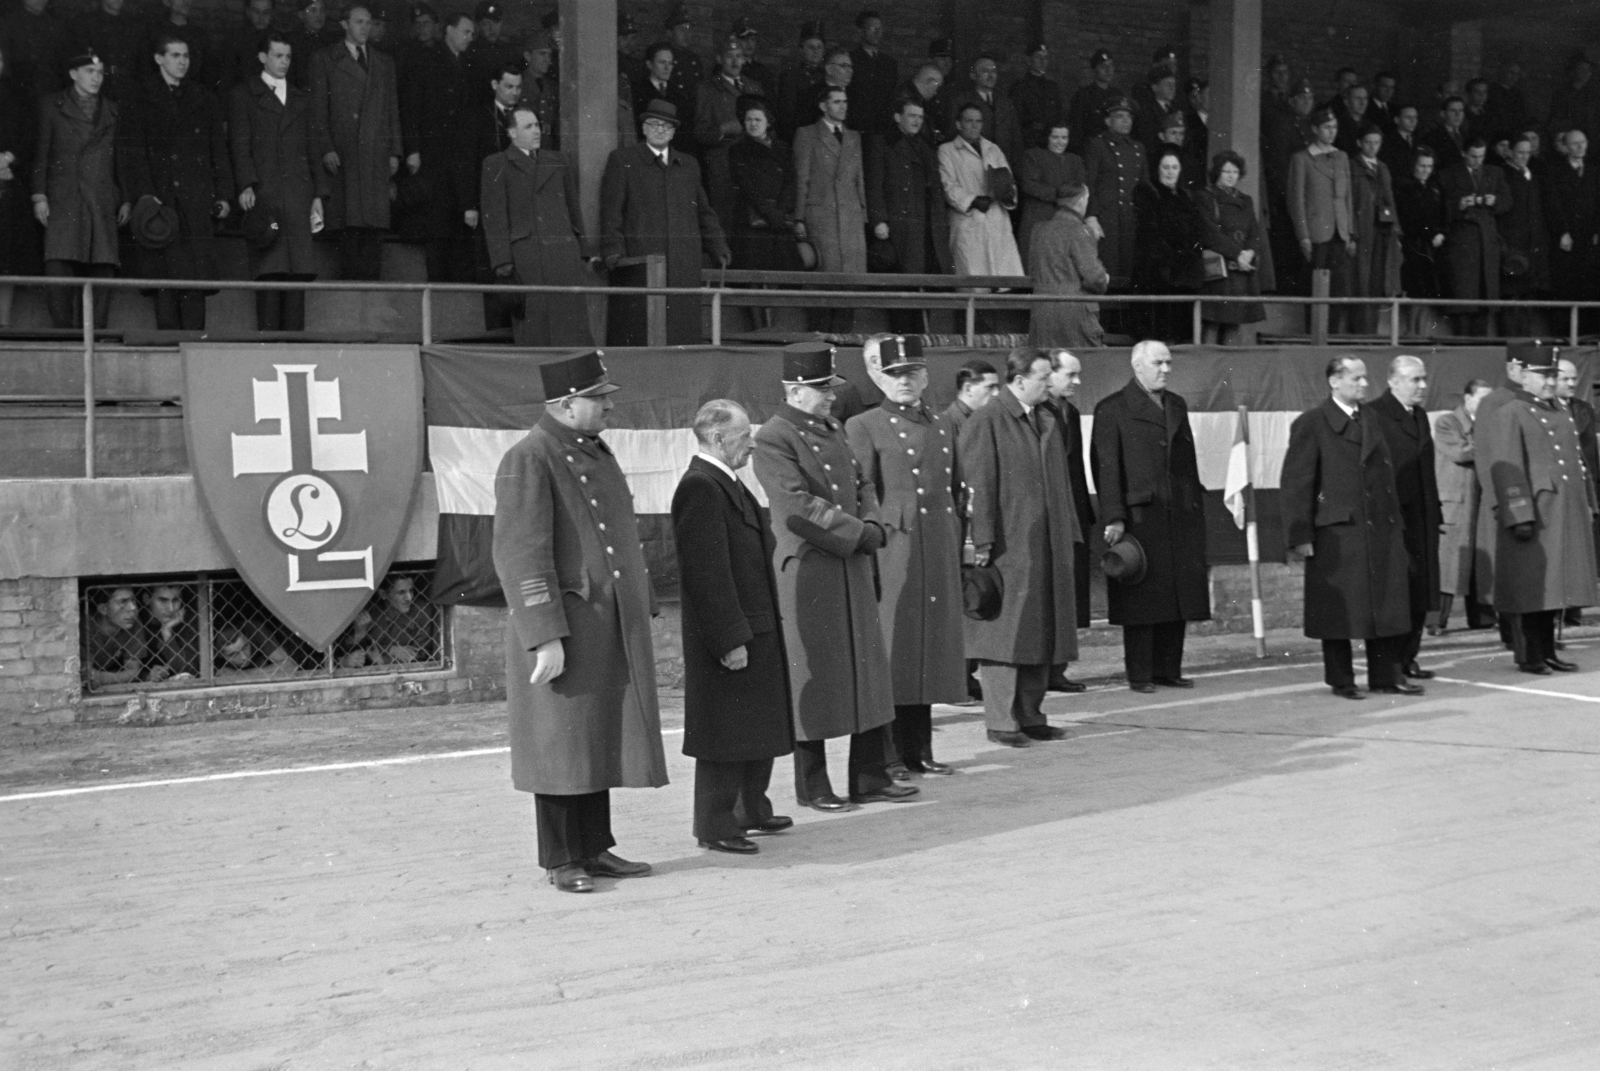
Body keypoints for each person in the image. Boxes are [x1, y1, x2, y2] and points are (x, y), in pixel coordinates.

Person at [491, 350, 667, 894]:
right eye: (599, 398)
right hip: (565, 624)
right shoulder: (530, 457)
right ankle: (562, 858)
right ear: (568, 405)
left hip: (601, 622)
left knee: (594, 737)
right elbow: (522, 554)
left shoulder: (590, 450)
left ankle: (595, 847)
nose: (609, 406)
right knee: (560, 744)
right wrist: (544, 635)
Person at [751, 342, 915, 811]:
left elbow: (862, 483)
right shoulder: (775, 437)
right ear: (795, 391)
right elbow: (796, 505)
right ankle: (813, 783)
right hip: (812, 570)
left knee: (865, 668)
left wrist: (874, 523)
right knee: (815, 675)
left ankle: (869, 775)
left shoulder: (834, 428)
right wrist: (859, 532)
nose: (830, 397)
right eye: (822, 389)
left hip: (851, 563)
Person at [671, 399, 796, 855]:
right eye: (745, 435)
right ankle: (716, 824)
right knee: (726, 733)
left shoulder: (728, 483)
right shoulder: (701, 487)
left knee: (754, 726)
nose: (753, 442)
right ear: (719, 437)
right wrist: (729, 638)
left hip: (756, 625)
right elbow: (707, 574)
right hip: (733, 634)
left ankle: (751, 809)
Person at [847, 336, 965, 777]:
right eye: (895, 374)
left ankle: (920, 749)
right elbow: (863, 494)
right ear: (880, 377)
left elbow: (950, 489)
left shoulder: (940, 423)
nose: (904, 382)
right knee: (894, 651)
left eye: (912, 373)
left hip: (935, 547)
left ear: (925, 376)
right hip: (894, 551)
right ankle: (888, 755)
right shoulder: (865, 425)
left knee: (929, 650)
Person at [959, 347, 1079, 745]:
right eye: (1044, 377)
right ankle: (1001, 721)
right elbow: (978, 484)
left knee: (1041, 633)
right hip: (1008, 549)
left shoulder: (1046, 418)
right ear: (1020, 380)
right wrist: (982, 543)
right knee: (1004, 637)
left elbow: (1060, 487)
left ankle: (1030, 714)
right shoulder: (987, 420)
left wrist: (1068, 535)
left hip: (1045, 546)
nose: (1050, 384)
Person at [1281, 356, 1416, 699]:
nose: (1364, 384)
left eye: (1365, 378)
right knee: (1337, 611)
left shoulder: (1372, 418)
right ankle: (1342, 680)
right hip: (1338, 533)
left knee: (1384, 604)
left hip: (1379, 530)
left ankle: (1385, 676)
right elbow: (1298, 485)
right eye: (1356, 378)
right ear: (1334, 381)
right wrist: (1301, 536)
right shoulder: (1312, 424)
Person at [1091, 340, 1209, 691]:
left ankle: (1168, 669)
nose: (1166, 369)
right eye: (1158, 362)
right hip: (1139, 516)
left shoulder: (1176, 404)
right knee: (1142, 598)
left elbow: (1187, 464)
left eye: (1169, 363)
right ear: (1137, 366)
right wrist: (1114, 517)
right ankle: (1140, 674)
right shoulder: (1111, 409)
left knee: (1176, 594)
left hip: (1178, 514)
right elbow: (1106, 468)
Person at [1478, 349, 1598, 674]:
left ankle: (1547, 651)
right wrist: (1519, 514)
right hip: (1536, 513)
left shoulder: (1559, 410)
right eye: (1543, 375)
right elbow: (1507, 468)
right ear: (1525, 376)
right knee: (1530, 588)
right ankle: (1529, 655)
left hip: (1560, 511)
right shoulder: (1512, 411)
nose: (1549, 381)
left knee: (1553, 587)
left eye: (1552, 375)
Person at [120, 32, 234, 331]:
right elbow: (132, 153)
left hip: (196, 202)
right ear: (159, 58)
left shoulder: (203, 98)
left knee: (194, 282)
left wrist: (223, 194)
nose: (182, 62)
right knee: (164, 283)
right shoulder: (139, 97)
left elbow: (217, 151)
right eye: (175, 55)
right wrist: (145, 196)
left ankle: (196, 351)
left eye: (185, 56)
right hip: (160, 204)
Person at [599, 99, 730, 346]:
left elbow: (704, 211)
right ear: (644, 128)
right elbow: (611, 212)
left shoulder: (688, 164)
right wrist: (613, 252)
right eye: (655, 124)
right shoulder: (623, 160)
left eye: (667, 126)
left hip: (683, 263)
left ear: (673, 132)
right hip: (641, 263)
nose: (660, 130)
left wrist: (718, 246)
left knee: (681, 332)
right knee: (642, 332)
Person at [231, 29, 326, 333]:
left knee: (297, 274)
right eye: (277, 55)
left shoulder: (302, 99)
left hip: (298, 195)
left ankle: (295, 350)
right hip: (266, 194)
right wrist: (246, 183)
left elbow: (313, 149)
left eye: (287, 56)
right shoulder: (244, 95)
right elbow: (239, 145)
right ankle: (269, 349)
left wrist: (318, 195)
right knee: (270, 272)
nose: (284, 61)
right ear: (262, 57)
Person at [480, 102, 593, 346]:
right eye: (528, 126)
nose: (536, 131)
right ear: (512, 133)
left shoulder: (557, 160)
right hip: (528, 256)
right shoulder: (497, 163)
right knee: (536, 326)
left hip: (564, 254)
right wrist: (502, 261)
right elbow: (494, 215)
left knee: (572, 325)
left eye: (537, 125)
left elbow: (573, 209)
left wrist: (583, 250)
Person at [32, 50, 128, 331]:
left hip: (101, 196)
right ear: (73, 74)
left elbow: (120, 159)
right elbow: (41, 152)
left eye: (100, 73)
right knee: (60, 263)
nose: (96, 78)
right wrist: (39, 194)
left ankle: (96, 332)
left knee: (103, 266)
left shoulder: (113, 110)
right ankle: (61, 332)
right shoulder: (51, 105)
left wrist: (125, 198)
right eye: (89, 72)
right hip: (64, 196)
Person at [310, 3, 401, 282]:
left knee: (373, 223)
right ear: (344, 25)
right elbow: (317, 109)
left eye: (368, 22)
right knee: (349, 223)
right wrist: (326, 146)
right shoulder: (325, 59)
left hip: (375, 153)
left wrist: (395, 151)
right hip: (345, 151)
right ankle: (351, 291)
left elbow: (392, 110)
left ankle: (371, 290)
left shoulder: (384, 62)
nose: (365, 28)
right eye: (359, 22)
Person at [1368, 356, 1442, 679]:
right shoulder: (1374, 415)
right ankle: (1392, 663)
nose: (1422, 386)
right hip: (1394, 519)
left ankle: (1410, 656)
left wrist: (1435, 514)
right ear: (1394, 381)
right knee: (1397, 592)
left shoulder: (1421, 416)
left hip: (1422, 518)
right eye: (1415, 380)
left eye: (1424, 379)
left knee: (1420, 592)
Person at [396, 11, 476, 284]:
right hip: (432, 156)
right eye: (465, 32)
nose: (469, 38)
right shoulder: (427, 61)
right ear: (449, 31)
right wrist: (413, 149)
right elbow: (411, 107)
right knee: (436, 226)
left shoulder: (464, 65)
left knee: (453, 227)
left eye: (472, 34)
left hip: (455, 160)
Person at [1044, 349, 1096, 682]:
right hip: (1049, 514)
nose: (1077, 382)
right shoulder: (1036, 414)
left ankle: (1058, 669)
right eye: (1070, 375)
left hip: (1073, 513)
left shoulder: (1071, 413)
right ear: (1048, 374)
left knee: (1069, 595)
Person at [865, 96, 950, 287]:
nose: (917, 121)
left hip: (925, 222)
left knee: (927, 275)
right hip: (898, 222)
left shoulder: (926, 147)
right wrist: (878, 220)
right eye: (912, 115)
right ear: (897, 117)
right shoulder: (882, 143)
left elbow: (935, 189)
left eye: (920, 117)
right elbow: (874, 185)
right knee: (903, 278)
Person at [1433, 379, 1495, 633]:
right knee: (1448, 566)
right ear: (1468, 399)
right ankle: (1436, 620)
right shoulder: (1447, 422)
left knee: (1480, 563)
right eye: (1483, 400)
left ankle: (1482, 618)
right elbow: (1461, 453)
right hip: (1456, 503)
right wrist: (1492, 444)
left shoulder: (1488, 425)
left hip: (1480, 502)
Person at [1287, 108, 1355, 334]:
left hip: (1339, 231)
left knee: (1338, 290)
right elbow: (1296, 201)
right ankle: (1315, 335)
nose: (1331, 132)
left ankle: (1333, 336)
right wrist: (1303, 236)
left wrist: (1350, 232)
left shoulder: (1341, 157)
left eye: (1334, 127)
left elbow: (1347, 198)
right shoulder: (1302, 159)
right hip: (1316, 232)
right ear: (1315, 129)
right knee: (1316, 289)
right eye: (1326, 127)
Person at [1438, 138, 1512, 336]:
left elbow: (1507, 202)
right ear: (1464, 153)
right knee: (1463, 298)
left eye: (1481, 156)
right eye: (1473, 156)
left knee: (1484, 298)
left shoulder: (1495, 173)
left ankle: (1481, 343)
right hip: (1462, 242)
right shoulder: (1448, 174)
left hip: (1487, 242)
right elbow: (1438, 207)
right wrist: (1459, 205)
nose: (1477, 160)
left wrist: (1495, 201)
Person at [940, 103, 1024, 277]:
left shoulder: (993, 148)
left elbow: (1007, 179)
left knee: (1003, 280)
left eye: (978, 121)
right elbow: (948, 186)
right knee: (974, 282)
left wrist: (1008, 195)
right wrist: (973, 200)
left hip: (996, 218)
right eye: (969, 120)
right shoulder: (947, 150)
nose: (974, 125)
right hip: (968, 219)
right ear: (958, 124)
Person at [1133, 146, 1206, 342]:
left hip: (1185, 275)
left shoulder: (1187, 197)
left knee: (1183, 331)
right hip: (1158, 273)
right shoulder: (1148, 193)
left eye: (1174, 167)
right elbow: (1151, 234)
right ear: (1158, 169)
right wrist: (1172, 260)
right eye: (1165, 167)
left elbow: (1197, 232)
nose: (1170, 171)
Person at [794, 85, 868, 273]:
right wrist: (799, 218)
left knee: (854, 275)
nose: (843, 107)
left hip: (851, 215)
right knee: (827, 270)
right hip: (822, 214)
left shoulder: (854, 137)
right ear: (823, 106)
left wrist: (863, 214)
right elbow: (802, 179)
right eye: (836, 102)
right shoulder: (807, 134)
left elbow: (859, 180)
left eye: (845, 102)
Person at [1195, 150, 1266, 342]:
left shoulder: (1246, 200)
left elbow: (1254, 232)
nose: (1230, 175)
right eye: (1226, 171)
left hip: (1240, 270)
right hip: (1220, 270)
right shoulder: (1206, 197)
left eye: (1234, 171)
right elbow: (1210, 233)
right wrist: (1238, 254)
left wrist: (1249, 253)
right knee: (1213, 322)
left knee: (1234, 323)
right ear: (1217, 172)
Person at [726, 95, 802, 273]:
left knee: (786, 271)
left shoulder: (783, 149)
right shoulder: (737, 150)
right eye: (749, 119)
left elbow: (791, 182)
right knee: (752, 270)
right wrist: (769, 213)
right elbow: (746, 187)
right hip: (752, 220)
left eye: (758, 119)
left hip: (779, 221)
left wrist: (780, 212)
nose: (753, 124)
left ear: (768, 122)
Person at [694, 38, 760, 239]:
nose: (735, 61)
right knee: (726, 222)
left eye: (739, 56)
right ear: (719, 59)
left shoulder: (754, 87)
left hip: (753, 164)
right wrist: (723, 129)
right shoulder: (707, 89)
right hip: (723, 167)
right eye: (729, 56)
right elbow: (699, 132)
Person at [1028, 181, 1107, 348]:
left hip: (1041, 309)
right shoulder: (1080, 231)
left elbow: (1033, 270)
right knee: (1081, 364)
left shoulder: (1038, 230)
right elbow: (1094, 278)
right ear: (1081, 201)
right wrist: (1104, 278)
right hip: (1075, 312)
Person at [1082, 96, 1146, 292]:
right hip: (1106, 219)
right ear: (1107, 121)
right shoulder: (1097, 145)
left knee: (1129, 271)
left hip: (1130, 218)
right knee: (1108, 270)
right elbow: (1089, 183)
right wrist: (1091, 215)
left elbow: (1145, 187)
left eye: (1129, 117)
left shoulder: (1138, 148)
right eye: (1119, 116)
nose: (1125, 120)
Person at [0, 42, 42, 325]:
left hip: (8, 182)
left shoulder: (16, 96)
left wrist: (6, 159)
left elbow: (27, 134)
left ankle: (2, 321)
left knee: (6, 257)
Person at [1348, 123, 1400, 336]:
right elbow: (1349, 201)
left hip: (1382, 230)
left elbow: (1390, 200)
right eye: (1368, 142)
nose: (1372, 147)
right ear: (1359, 143)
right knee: (1360, 282)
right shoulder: (1352, 166)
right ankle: (1360, 333)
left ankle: (1373, 332)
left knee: (1378, 281)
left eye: (1376, 143)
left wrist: (1396, 231)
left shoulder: (1384, 168)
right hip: (1362, 230)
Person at [1545, 130, 1597, 331]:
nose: (1580, 147)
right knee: (1566, 285)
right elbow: (1553, 204)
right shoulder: (1555, 171)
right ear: (1565, 147)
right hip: (1566, 237)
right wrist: (1562, 231)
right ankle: (1564, 334)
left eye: (1583, 142)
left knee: (1589, 284)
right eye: (1575, 143)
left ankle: (1588, 334)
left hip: (1588, 236)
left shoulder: (1593, 171)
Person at [1500, 135, 1550, 337]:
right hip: (1512, 248)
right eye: (1520, 152)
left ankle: (1525, 346)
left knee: (1528, 299)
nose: (1524, 157)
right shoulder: (1503, 175)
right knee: (1511, 298)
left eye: (1527, 153)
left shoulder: (1532, 175)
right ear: (1510, 152)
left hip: (1532, 248)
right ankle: (1510, 346)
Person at [1394, 148, 1446, 338]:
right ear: (1414, 166)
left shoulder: (1434, 187)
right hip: (1413, 244)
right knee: (1415, 288)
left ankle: (1421, 331)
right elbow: (1409, 217)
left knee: (1427, 289)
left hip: (1431, 246)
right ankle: (1411, 331)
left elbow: (1441, 215)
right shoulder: (1405, 187)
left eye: (1429, 166)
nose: (1426, 170)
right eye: (1422, 166)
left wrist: (1439, 232)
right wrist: (1430, 234)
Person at [1017, 121, 1085, 266]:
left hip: (1065, 220)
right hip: (1039, 217)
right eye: (1055, 137)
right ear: (1047, 137)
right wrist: (1059, 194)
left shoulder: (1075, 160)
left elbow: (1080, 187)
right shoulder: (1033, 155)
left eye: (1064, 138)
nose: (1060, 142)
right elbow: (1029, 185)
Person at [948, 54, 1019, 167]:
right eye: (985, 71)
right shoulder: (962, 101)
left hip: (1002, 165)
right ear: (973, 75)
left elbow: (1016, 139)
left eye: (994, 71)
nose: (991, 76)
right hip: (973, 164)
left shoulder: (1005, 103)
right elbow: (954, 134)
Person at [75, 0, 143, 101]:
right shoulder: (86, 23)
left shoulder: (134, 24)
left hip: (129, 89)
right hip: (99, 88)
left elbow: (141, 61)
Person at [84, 586, 147, 688]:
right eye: (123, 602)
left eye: (133, 600)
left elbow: (134, 672)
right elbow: (84, 674)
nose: (133, 608)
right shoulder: (87, 625)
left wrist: (101, 678)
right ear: (103, 609)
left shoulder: (132, 622)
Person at [848, 9, 897, 138]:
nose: (877, 32)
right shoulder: (850, 60)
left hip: (882, 132)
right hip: (856, 130)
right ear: (860, 31)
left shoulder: (890, 64)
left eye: (879, 28)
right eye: (872, 28)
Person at [775, 21, 826, 144]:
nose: (816, 51)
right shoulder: (790, 76)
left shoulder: (827, 76)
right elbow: (787, 115)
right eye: (811, 47)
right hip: (799, 138)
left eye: (819, 47)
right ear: (801, 49)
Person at [213, 0, 276, 95]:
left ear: (272, 13)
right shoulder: (235, 40)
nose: (261, 17)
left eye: (266, 12)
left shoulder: (279, 40)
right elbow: (227, 79)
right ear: (248, 11)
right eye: (256, 11)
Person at [1011, 41, 1062, 153]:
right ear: (1028, 60)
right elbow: (1016, 122)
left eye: (1045, 58)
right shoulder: (1020, 88)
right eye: (1038, 57)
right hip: (1030, 144)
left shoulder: (1053, 87)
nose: (1043, 61)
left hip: (1052, 144)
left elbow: (1060, 116)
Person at [1068, 49, 1119, 155]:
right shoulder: (1083, 95)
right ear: (1094, 70)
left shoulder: (1118, 95)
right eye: (1103, 66)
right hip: (1092, 150)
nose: (1108, 70)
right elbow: (1077, 130)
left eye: (1111, 66)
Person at [283, 0, 338, 91]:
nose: (319, 15)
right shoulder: (292, 41)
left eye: (322, 10)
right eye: (313, 10)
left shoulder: (330, 40)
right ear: (301, 15)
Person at [518, 32, 558, 151]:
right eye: (542, 54)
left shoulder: (552, 86)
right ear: (528, 56)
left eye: (549, 55)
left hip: (547, 148)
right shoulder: (517, 84)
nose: (547, 60)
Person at [899, 62, 951, 151]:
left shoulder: (912, 98)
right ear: (929, 82)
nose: (936, 93)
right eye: (937, 87)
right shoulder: (909, 102)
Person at [1379, 104, 1421, 180]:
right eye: (1408, 117)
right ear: (1397, 120)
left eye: (1415, 117)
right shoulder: (1388, 142)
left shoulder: (1418, 140)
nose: (1413, 121)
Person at [1425, 96, 1468, 166]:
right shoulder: (1433, 137)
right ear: (1443, 114)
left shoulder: (1467, 135)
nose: (1458, 115)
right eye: (1453, 111)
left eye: (1461, 110)